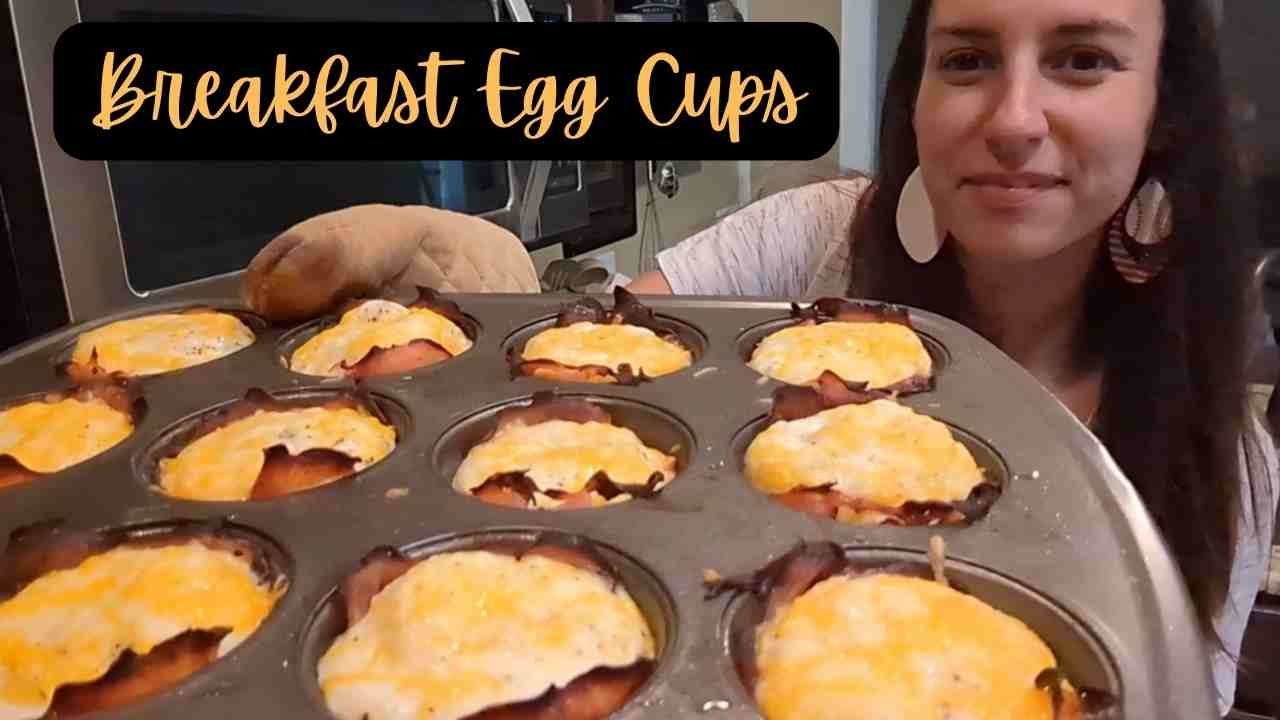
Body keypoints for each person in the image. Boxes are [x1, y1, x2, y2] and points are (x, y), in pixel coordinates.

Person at [242, 0, 1278, 713]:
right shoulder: (816, 238)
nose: (1012, 120)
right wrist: (472, 276)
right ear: (914, 94)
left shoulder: (1222, 466)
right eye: (965, 59)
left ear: (1163, 110)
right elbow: (589, 348)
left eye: (1082, 60)